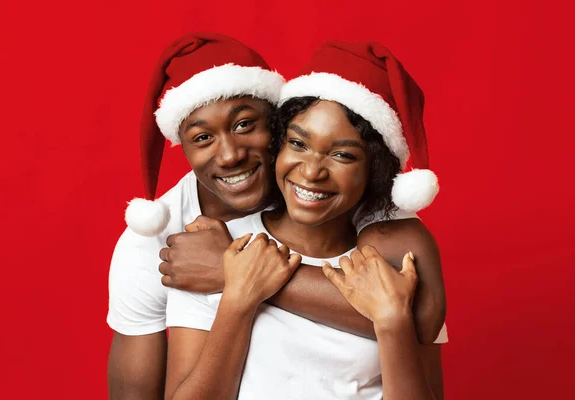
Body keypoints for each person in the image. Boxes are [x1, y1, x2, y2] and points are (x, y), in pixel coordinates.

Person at [107, 32, 445, 399]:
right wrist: (239, 286)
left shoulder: (380, 221)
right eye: (203, 137)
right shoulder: (178, 243)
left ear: (273, 126)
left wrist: (232, 268)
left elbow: (424, 320)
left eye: (244, 124)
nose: (230, 155)